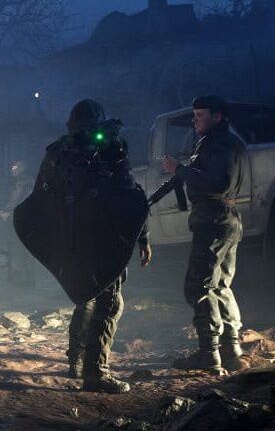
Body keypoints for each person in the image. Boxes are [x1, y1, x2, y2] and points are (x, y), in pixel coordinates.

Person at [35, 99, 152, 393]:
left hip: (73, 240)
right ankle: (96, 373)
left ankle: (76, 363)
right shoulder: (111, 146)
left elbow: (41, 198)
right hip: (105, 239)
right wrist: (142, 237)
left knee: (85, 296)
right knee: (109, 302)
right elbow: (130, 195)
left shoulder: (58, 151)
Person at [163, 95, 249, 373]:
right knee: (220, 285)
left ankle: (209, 352)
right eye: (195, 114)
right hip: (223, 218)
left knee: (199, 286)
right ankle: (231, 349)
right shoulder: (222, 142)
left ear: (218, 116)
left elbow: (218, 183)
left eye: (201, 115)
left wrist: (180, 170)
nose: (195, 120)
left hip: (213, 218)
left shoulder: (220, 144)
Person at [0, 160, 36, 285]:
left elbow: (15, 199)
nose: (13, 169)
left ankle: (20, 278)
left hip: (22, 219)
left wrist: (5, 210)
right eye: (12, 167)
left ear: (23, 168)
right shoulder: (31, 181)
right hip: (31, 219)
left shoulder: (20, 182)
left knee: (19, 248)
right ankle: (29, 279)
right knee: (27, 250)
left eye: (16, 167)